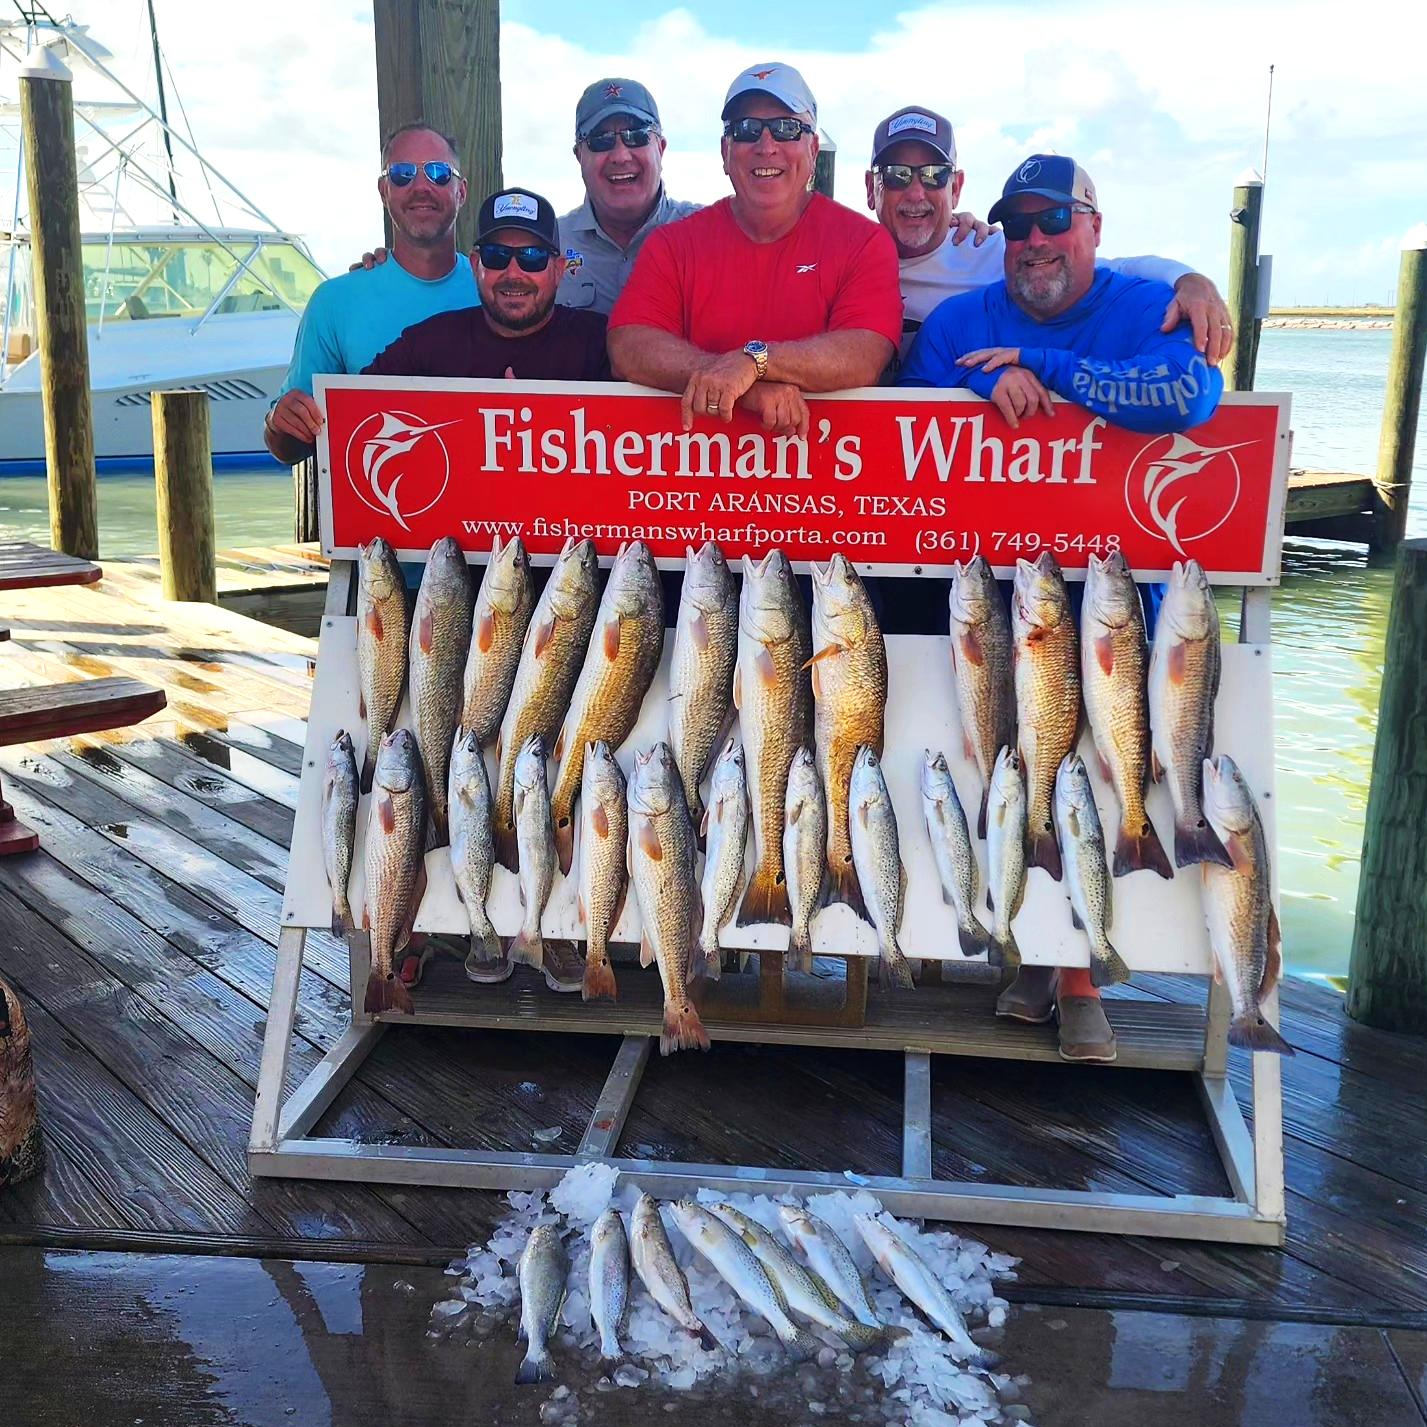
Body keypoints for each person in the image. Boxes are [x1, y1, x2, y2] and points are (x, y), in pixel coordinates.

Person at [902, 154, 1225, 1064]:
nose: (1033, 242)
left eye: (1052, 221)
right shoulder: (964, 319)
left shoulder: (1144, 306)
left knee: (1094, 773)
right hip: (1003, 595)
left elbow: (1185, 395)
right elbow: (908, 398)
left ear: (1092, 225)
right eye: (1016, 226)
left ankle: (1081, 974)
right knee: (1013, 775)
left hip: (1119, 600)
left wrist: (1045, 364)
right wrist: (980, 383)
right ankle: (1034, 956)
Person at [607, 61, 902, 439]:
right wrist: (737, 384)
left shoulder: (864, 242)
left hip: (830, 487)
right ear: (725, 151)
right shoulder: (673, 244)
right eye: (746, 131)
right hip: (690, 483)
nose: (766, 147)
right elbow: (628, 345)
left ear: (812, 149)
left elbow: (865, 353)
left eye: (786, 129)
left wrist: (756, 361)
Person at [867, 107, 1234, 366]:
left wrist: (1189, 281)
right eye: (897, 175)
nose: (916, 192)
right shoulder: (843, 257)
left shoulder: (998, 253)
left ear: (957, 187)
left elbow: (1106, 270)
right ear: (871, 188)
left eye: (934, 174)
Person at [263, 123, 477, 463]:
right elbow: (288, 447)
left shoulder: (496, 295)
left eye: (438, 173)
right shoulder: (334, 302)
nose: (421, 186)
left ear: (461, 191)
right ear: (383, 190)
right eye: (403, 174)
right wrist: (279, 421)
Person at [364, 188, 608, 380]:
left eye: (532, 257)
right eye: (496, 255)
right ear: (475, 264)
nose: (513, 274)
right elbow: (348, 401)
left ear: (557, 269)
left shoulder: (599, 346)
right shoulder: (429, 344)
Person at [556, 79, 700, 315]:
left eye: (637, 135)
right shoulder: (548, 245)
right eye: (600, 140)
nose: (621, 156)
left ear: (661, 148)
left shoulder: (706, 233)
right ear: (579, 156)